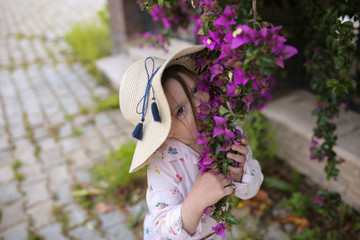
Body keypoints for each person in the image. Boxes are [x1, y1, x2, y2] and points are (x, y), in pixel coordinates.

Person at [119, 45, 263, 239]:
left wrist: (239, 175)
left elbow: (251, 189)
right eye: (180, 110)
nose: (199, 102)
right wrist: (195, 201)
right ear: (166, 131)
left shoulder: (228, 134)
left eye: (195, 89)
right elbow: (161, 223)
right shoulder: (162, 163)